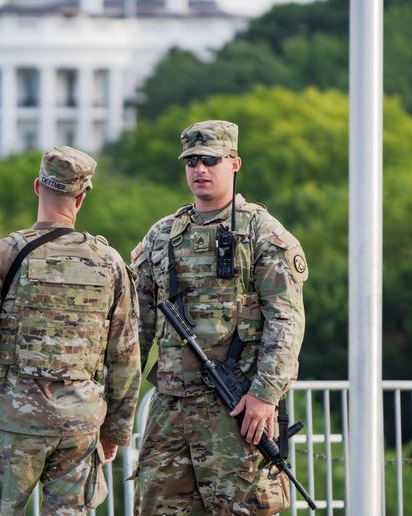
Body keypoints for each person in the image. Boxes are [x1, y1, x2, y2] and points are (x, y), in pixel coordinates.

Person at [130, 120, 308, 515]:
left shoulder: (263, 234)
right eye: (191, 161)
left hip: (237, 410)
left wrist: (264, 395)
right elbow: (136, 329)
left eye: (210, 160)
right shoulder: (161, 236)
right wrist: (120, 408)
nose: (199, 170)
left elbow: (286, 322)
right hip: (171, 409)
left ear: (235, 163)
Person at [0, 146, 141, 515]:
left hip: (15, 420)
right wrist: (116, 431)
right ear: (81, 198)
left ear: (38, 187)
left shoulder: (2, 254)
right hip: (80, 423)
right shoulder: (110, 261)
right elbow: (125, 355)